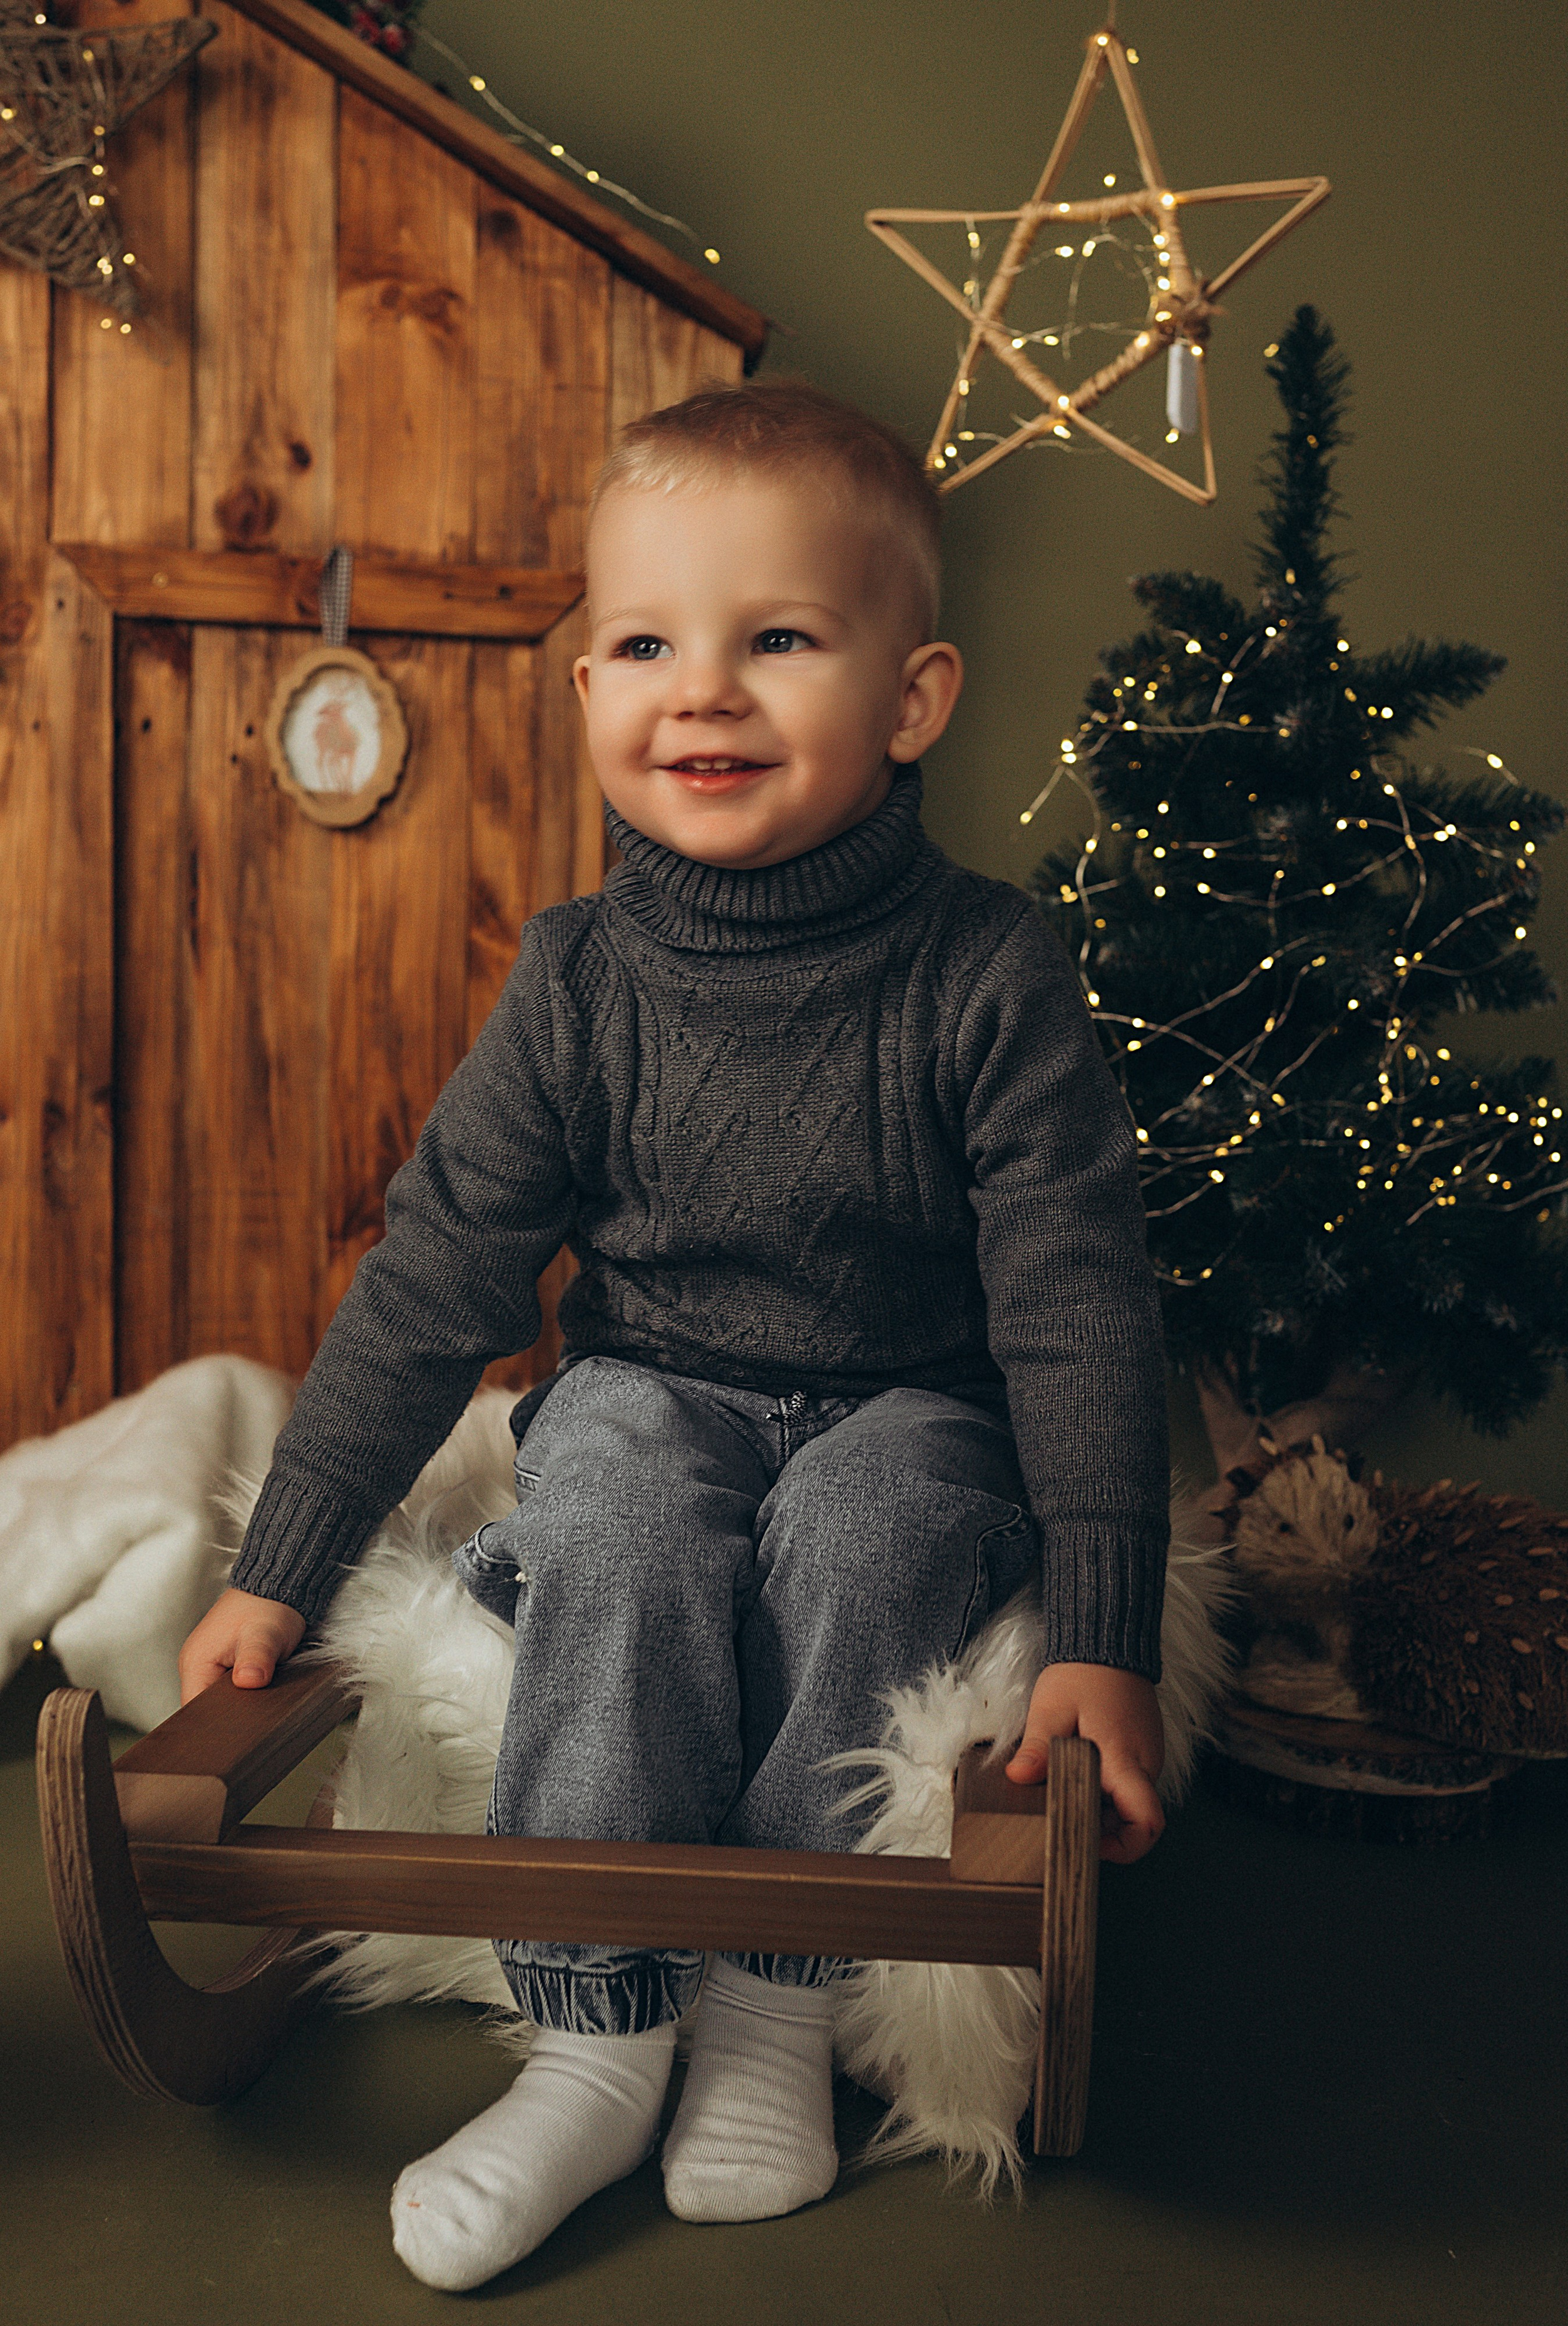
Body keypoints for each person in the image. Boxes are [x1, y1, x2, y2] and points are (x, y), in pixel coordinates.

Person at [177, 380, 1171, 2291]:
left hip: (911, 1397)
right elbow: (439, 1271)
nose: (700, 690)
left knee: (876, 1521)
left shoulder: (985, 970)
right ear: (585, 693)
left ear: (913, 697)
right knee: (615, 1495)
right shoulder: (579, 979)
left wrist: (1108, 1636)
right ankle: (596, 2036)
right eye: (645, 645)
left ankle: (775, 2010)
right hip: (656, 1381)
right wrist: (284, 1558)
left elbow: (1074, 1299)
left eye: (776, 638)